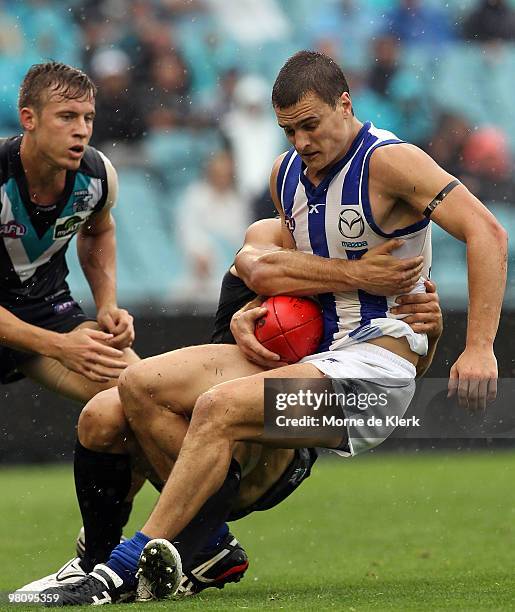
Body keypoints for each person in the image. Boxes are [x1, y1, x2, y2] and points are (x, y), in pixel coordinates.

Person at [42, 50, 506, 605]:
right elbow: (264, 266)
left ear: (345, 104)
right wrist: (251, 311)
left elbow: (487, 233)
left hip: (375, 377)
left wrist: (478, 346)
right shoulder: (286, 174)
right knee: (133, 388)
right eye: (289, 130)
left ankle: (118, 570)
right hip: (309, 359)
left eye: (311, 124)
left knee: (216, 408)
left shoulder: (391, 162)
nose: (302, 141)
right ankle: (205, 543)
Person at [21, 216, 439, 598]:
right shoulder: (266, 243)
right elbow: (252, 279)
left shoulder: (380, 284)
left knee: (202, 404)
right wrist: (247, 313)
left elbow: (397, 375)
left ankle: (141, 562)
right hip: (204, 431)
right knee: (101, 415)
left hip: (272, 450)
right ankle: (106, 558)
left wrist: (429, 336)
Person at [0, 61, 137, 404]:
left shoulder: (98, 176)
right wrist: (58, 346)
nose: (81, 130)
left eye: (88, 118)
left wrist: (107, 305)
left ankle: (291, 441)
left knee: (142, 391)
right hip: (45, 334)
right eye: (67, 117)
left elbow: (97, 231)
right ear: (29, 119)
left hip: (45, 310)